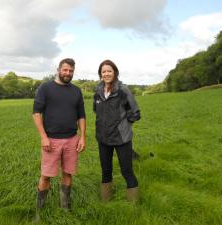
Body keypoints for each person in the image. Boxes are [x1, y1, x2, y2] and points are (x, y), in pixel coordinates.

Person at [33, 58, 86, 212]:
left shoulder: (76, 91)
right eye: (65, 70)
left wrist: (82, 136)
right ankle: (39, 211)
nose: (68, 73)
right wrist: (43, 137)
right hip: (51, 140)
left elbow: (81, 116)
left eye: (71, 71)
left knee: (68, 174)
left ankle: (65, 208)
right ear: (58, 69)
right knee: (45, 176)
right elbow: (36, 113)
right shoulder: (45, 88)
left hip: (71, 140)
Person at [93, 59, 141, 202]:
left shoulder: (123, 90)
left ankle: (134, 204)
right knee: (106, 171)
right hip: (103, 139)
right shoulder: (98, 91)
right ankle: (106, 202)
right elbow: (97, 111)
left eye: (109, 71)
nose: (106, 74)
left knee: (127, 171)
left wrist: (124, 127)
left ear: (115, 72)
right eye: (104, 71)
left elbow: (134, 113)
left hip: (122, 139)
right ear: (100, 74)